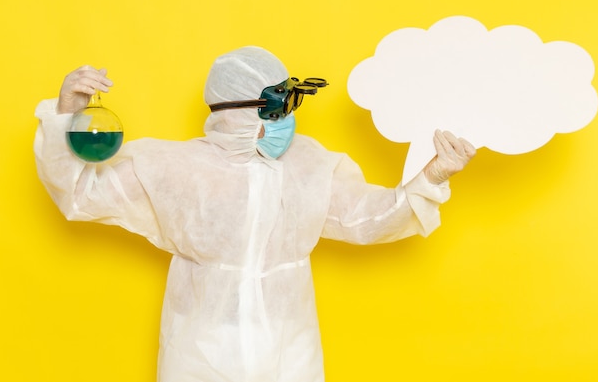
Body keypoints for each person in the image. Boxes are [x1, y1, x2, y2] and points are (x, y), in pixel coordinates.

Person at [34, 46, 475, 382]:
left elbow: (367, 218)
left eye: (289, 105)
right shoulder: (176, 168)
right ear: (232, 111)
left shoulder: (309, 165)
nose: (286, 119)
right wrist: (68, 114)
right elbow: (81, 192)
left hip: (289, 347)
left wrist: (432, 175)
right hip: (201, 348)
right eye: (274, 106)